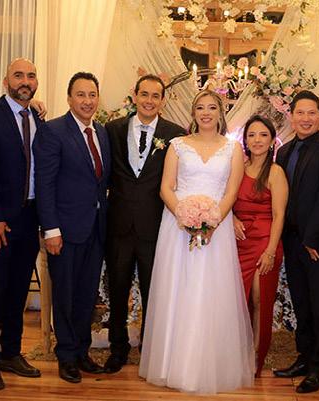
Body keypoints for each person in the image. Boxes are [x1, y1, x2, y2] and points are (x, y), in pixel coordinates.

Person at [139, 89, 253, 394]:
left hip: (217, 229)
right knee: (178, 289)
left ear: (220, 112)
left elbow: (231, 192)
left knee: (211, 291)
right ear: (193, 113)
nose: (206, 113)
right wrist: (185, 217)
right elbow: (166, 187)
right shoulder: (177, 145)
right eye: (200, 107)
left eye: (212, 107)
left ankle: (208, 365)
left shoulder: (233, 149)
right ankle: (171, 364)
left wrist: (211, 222)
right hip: (177, 227)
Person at [103, 74, 187, 373]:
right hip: (119, 226)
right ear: (135, 96)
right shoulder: (112, 130)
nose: (149, 101)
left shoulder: (175, 135)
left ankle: (152, 350)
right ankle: (118, 347)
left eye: (155, 96)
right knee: (118, 290)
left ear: (163, 100)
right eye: (144, 94)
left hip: (155, 228)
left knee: (155, 293)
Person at [34, 72, 112, 383]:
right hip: (64, 231)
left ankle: (81, 351)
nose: (87, 101)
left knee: (85, 295)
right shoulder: (53, 131)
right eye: (81, 94)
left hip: (95, 229)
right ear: (69, 99)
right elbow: (45, 184)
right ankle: (65, 355)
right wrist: (51, 230)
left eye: (92, 95)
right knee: (64, 295)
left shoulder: (101, 132)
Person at [272, 90, 319, 394]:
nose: (306, 118)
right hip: (292, 241)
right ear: (291, 116)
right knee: (301, 303)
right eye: (300, 113)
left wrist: (311, 238)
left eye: (312, 113)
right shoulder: (284, 152)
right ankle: (304, 358)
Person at [0, 58, 44, 390]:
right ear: (6, 81)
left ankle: (11, 352)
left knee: (18, 288)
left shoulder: (38, 118)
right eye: (18, 75)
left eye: (31, 76)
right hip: (0, 219)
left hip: (30, 216)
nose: (25, 81)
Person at [231, 115, 287, 375]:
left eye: (263, 135)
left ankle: (256, 353)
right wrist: (232, 219)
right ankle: (236, 352)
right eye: (252, 135)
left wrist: (270, 251)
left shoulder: (276, 172)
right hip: (238, 243)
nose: (257, 140)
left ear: (272, 140)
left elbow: (279, 215)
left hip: (265, 241)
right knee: (237, 300)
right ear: (245, 140)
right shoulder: (238, 167)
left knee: (259, 298)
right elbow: (225, 199)